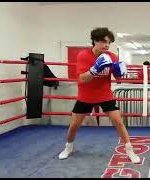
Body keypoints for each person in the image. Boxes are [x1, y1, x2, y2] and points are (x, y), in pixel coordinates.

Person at [58, 27, 140, 164]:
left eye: (109, 42)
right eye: (103, 42)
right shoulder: (84, 55)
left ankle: (130, 150)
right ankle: (68, 148)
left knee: (118, 122)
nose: (107, 45)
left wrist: (121, 73)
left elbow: (118, 79)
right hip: (86, 95)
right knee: (74, 125)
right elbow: (82, 79)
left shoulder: (112, 56)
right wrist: (94, 70)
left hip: (105, 94)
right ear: (95, 41)